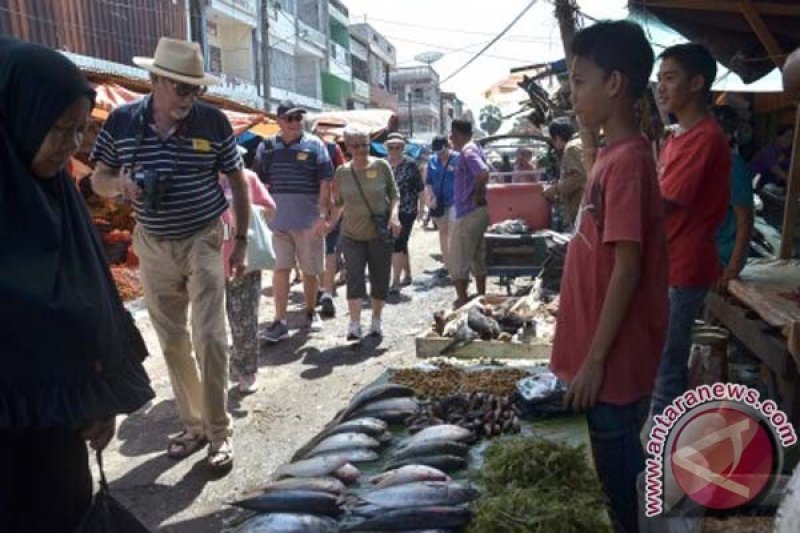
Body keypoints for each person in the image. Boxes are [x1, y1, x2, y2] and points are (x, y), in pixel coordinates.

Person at [0, 38, 154, 531]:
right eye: (60, 129)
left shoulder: (58, 197)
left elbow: (97, 303)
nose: (71, 145)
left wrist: (98, 393)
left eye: (80, 130)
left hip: (58, 437)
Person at [91, 37, 248, 470]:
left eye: (195, 88)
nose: (189, 97)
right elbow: (97, 179)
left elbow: (236, 181)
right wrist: (119, 186)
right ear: (155, 80)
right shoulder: (121, 122)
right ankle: (194, 424)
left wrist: (244, 241)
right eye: (181, 88)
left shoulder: (212, 121)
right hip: (153, 243)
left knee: (211, 339)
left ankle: (219, 432)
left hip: (203, 237)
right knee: (173, 341)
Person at [549, 21, 668, 532]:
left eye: (579, 81)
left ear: (615, 84)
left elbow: (627, 265)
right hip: (600, 360)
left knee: (619, 496)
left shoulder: (628, 163)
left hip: (613, 370)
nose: (571, 94)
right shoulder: (610, 157)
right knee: (613, 482)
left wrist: (595, 361)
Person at [651, 43, 731, 417]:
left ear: (697, 82)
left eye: (670, 78)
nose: (661, 88)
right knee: (661, 356)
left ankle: (660, 455)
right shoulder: (676, 136)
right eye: (660, 79)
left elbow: (663, 201)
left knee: (667, 364)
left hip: (685, 263)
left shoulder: (705, 137)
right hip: (669, 258)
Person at [254, 101, 334, 342]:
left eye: (299, 118)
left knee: (310, 271)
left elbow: (326, 182)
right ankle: (280, 321)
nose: (296, 122)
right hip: (278, 223)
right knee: (281, 270)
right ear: (278, 121)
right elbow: (260, 183)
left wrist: (322, 216)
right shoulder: (266, 147)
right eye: (290, 118)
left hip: (309, 222)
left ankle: (310, 312)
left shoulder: (315, 145)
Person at [331, 127, 401, 340]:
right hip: (351, 235)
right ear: (347, 147)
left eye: (365, 144)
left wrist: (394, 217)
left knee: (380, 279)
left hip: (379, 234)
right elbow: (338, 204)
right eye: (356, 145)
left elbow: (394, 195)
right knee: (354, 279)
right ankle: (354, 324)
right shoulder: (342, 173)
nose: (361, 149)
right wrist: (328, 225)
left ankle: (376, 321)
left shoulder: (381, 166)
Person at [221, 167, 276, 394]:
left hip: (244, 257)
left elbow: (270, 209)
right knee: (208, 323)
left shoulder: (247, 177)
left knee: (243, 318)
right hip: (206, 258)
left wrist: (246, 210)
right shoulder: (197, 175)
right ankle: (218, 372)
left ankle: (246, 370)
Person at [448, 119, 490, 308]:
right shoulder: (476, 148)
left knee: (458, 257)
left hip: (468, 211)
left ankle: (463, 300)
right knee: (476, 256)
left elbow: (482, 172)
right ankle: (481, 296)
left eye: (452, 135)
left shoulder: (467, 151)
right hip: (477, 212)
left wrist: (478, 195)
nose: (450, 139)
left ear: (457, 134)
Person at [712, 105, 754, 291]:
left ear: (727, 135)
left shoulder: (733, 166)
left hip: (720, 260)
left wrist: (732, 269)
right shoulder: (710, 163)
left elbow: (745, 219)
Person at [312, 124, 347, 318]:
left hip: (326, 206)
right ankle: (323, 290)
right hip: (318, 208)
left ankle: (325, 291)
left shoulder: (333, 149)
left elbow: (339, 183)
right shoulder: (333, 149)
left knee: (328, 250)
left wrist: (334, 217)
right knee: (323, 251)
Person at [385, 132, 424, 293]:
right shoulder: (383, 165)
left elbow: (420, 189)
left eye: (398, 147)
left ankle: (395, 283)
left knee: (397, 244)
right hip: (387, 212)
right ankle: (407, 275)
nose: (394, 151)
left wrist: (422, 210)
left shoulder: (410, 165)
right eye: (391, 147)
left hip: (407, 210)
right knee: (401, 244)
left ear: (403, 148)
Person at [543, 117, 587, 229]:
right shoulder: (581, 143)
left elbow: (578, 176)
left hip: (582, 209)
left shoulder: (571, 148)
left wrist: (555, 189)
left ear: (557, 138)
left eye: (552, 140)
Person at [425, 134, 459, 273]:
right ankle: (447, 263)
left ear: (448, 146)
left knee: (454, 232)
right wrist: (431, 197)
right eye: (437, 152)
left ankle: (456, 263)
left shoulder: (458, 159)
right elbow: (428, 182)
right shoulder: (432, 161)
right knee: (443, 233)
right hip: (439, 202)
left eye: (442, 151)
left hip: (456, 201)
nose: (440, 155)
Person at [750, 125, 794, 189]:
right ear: (778, 137)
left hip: (772, 188)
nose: (790, 140)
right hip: (755, 189)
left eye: (792, 138)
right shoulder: (768, 152)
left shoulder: (788, 154)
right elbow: (782, 174)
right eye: (787, 137)